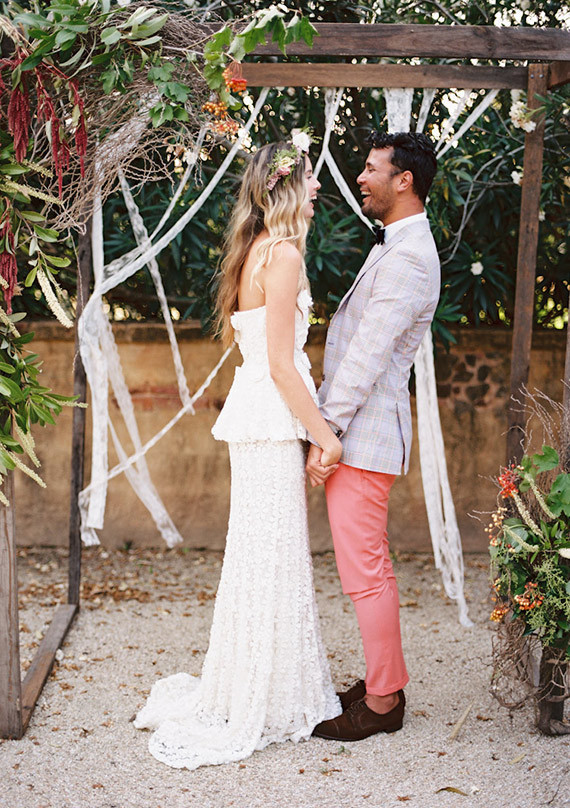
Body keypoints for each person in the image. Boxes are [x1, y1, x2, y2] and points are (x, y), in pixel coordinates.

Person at [133, 134, 342, 769]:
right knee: (270, 553)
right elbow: (282, 364)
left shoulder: (257, 250)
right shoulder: (281, 257)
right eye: (309, 179)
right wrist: (323, 433)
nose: (315, 188)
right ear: (286, 187)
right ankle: (267, 694)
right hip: (272, 421)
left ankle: (263, 681)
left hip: (258, 421)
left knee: (262, 553)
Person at [307, 131, 440, 741]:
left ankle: (384, 702)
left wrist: (326, 427)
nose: (360, 178)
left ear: (403, 179)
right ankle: (382, 681)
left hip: (363, 435)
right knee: (368, 566)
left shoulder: (411, 254)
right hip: (359, 433)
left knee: (366, 571)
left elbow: (366, 353)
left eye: (369, 168)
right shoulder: (398, 244)